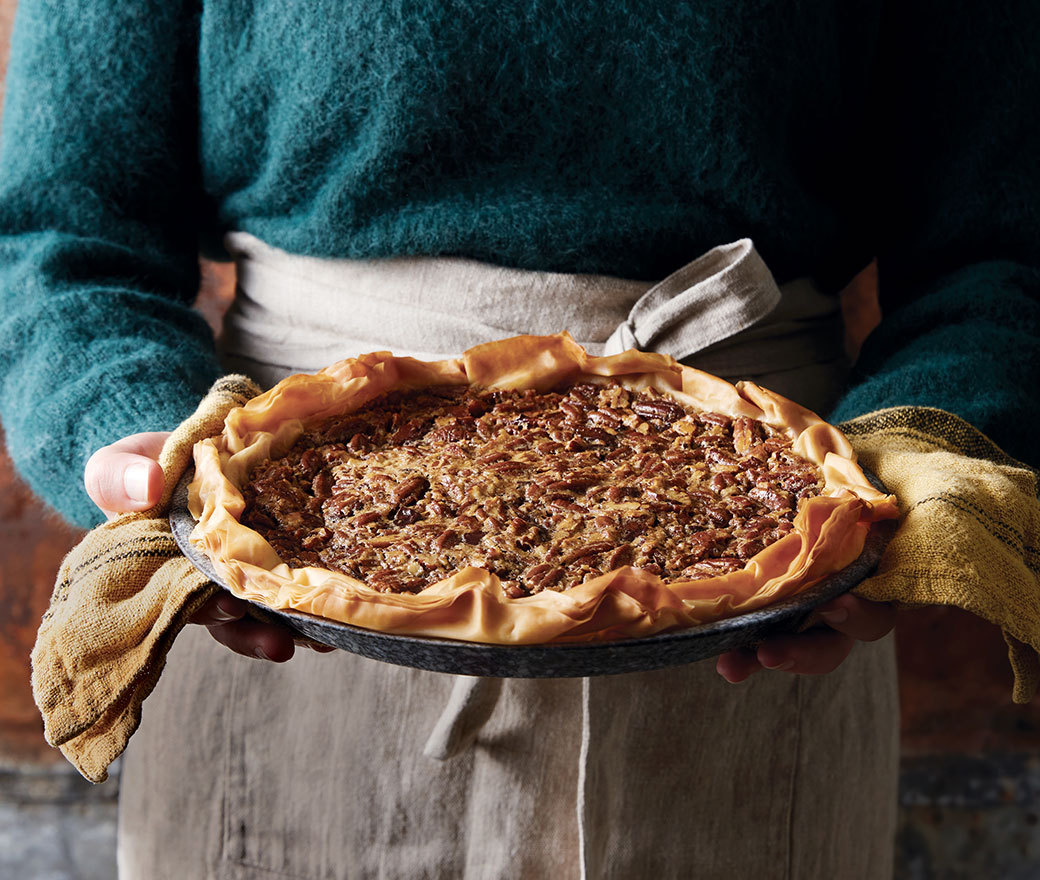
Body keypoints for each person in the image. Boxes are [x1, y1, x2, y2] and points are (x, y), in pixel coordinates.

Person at [1, 1, 1037, 877]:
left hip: (773, 597)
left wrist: (914, 462)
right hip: (280, 601)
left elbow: (999, 251)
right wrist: (128, 429)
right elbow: (64, 231)